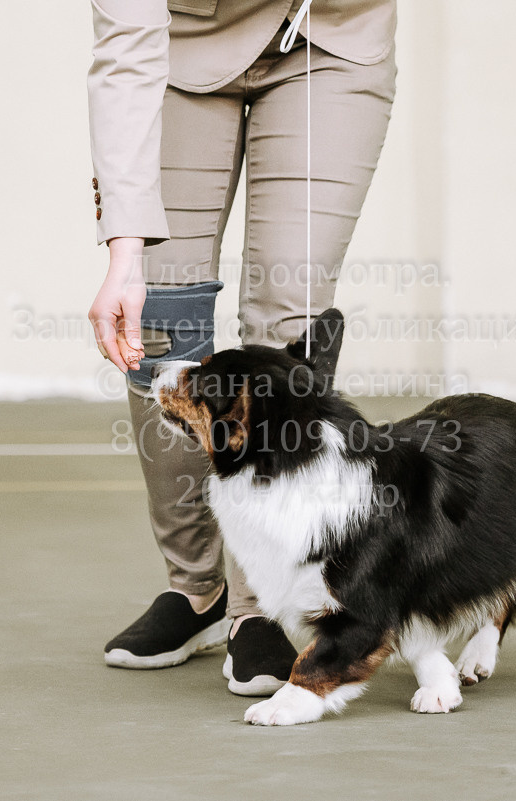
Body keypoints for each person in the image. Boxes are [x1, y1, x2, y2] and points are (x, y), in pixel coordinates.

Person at [86, 0, 396, 696]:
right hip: (182, 46)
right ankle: (196, 588)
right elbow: (125, 51)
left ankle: (262, 606)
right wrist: (124, 252)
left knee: (291, 335)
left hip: (332, 42)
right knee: (159, 325)